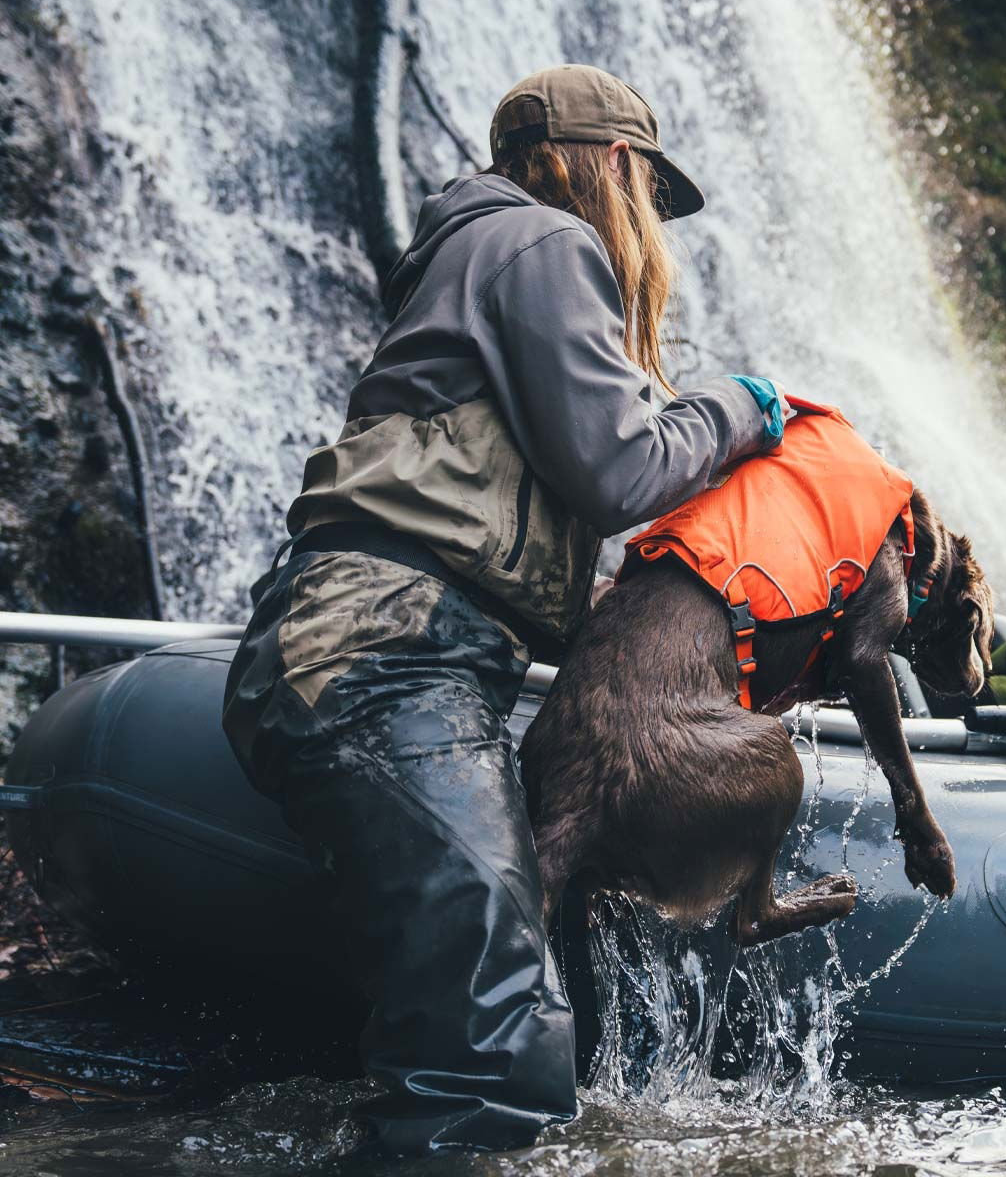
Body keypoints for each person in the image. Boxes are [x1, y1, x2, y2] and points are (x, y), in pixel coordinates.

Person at [222, 63, 792, 1156]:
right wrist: (737, 406)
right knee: (494, 1050)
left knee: (476, 1029)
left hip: (368, 651)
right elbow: (624, 468)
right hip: (385, 659)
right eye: (648, 196)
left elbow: (507, 507)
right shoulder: (545, 243)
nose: (648, 230)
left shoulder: (470, 251)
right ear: (615, 165)